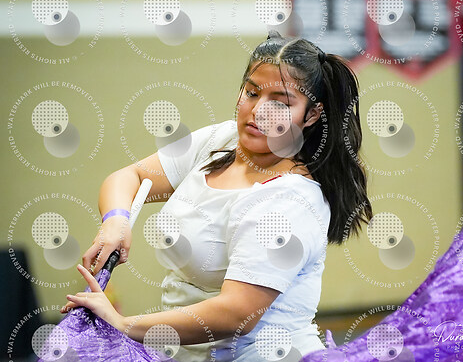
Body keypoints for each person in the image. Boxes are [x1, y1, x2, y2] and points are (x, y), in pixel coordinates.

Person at [60, 30, 373, 361]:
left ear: (311, 114)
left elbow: (236, 314)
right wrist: (115, 222)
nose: (258, 111)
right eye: (251, 92)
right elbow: (131, 177)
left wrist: (124, 324)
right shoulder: (222, 140)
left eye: (280, 103)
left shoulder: (290, 199)